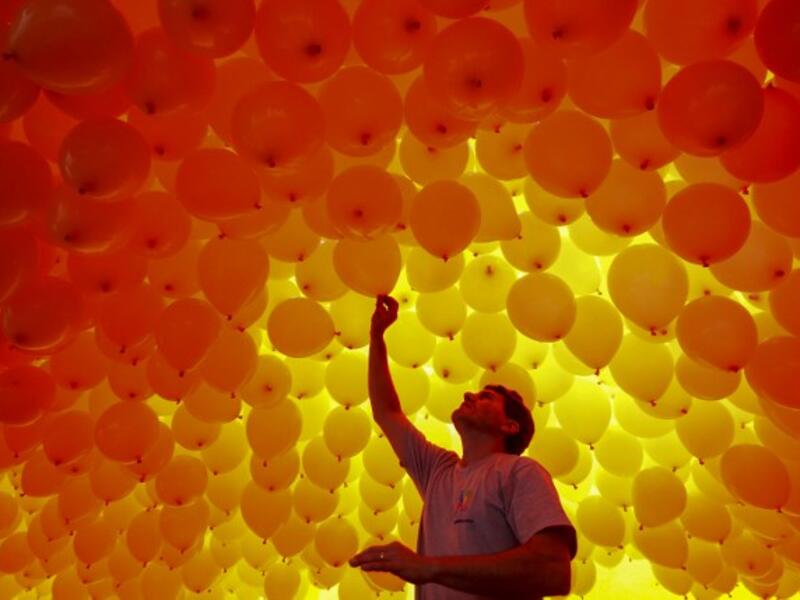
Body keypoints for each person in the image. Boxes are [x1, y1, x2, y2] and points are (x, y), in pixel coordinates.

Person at [349, 294, 578, 600]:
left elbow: (553, 572)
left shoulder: (520, 472)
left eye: (486, 398)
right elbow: (387, 413)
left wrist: (429, 568)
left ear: (510, 426)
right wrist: (376, 337)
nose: (470, 395)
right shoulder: (438, 471)